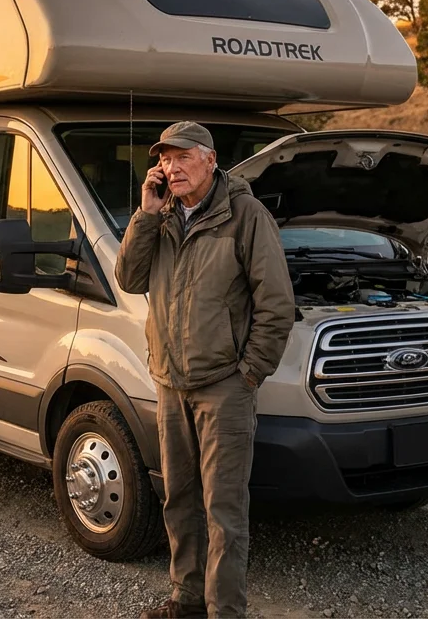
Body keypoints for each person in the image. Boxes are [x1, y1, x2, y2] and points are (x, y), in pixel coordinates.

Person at [115, 121, 295, 619]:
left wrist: (249, 374)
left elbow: (277, 303)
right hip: (171, 383)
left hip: (224, 387)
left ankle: (225, 611)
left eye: (181, 157)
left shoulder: (245, 215)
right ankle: (187, 599)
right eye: (164, 160)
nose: (171, 168)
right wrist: (146, 214)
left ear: (210, 160)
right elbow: (129, 279)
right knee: (179, 499)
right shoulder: (162, 214)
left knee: (224, 511)